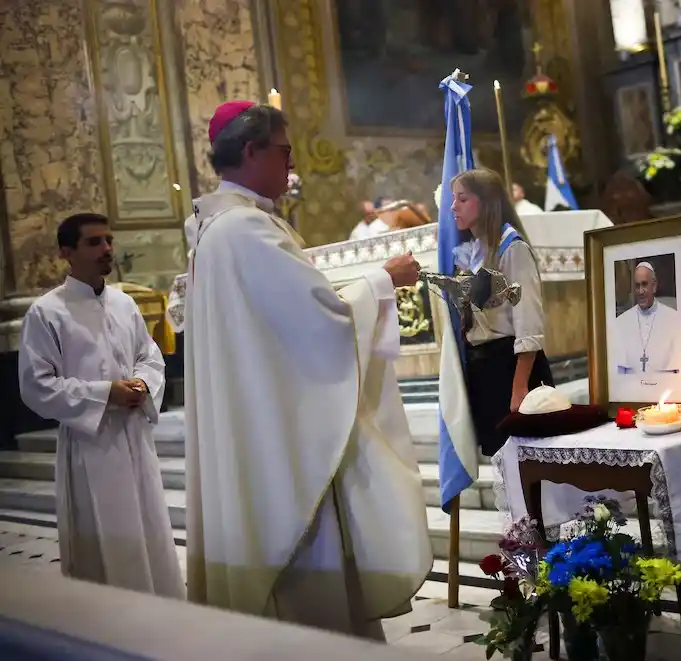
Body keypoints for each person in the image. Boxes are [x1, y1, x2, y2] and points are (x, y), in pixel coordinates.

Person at [182, 100, 431, 640]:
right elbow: (326, 324)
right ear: (251, 151)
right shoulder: (247, 230)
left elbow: (291, 321)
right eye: (284, 152)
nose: (290, 168)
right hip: (282, 447)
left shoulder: (213, 232)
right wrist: (385, 280)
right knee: (310, 602)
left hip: (258, 426)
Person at [18, 213, 184, 598]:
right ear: (66, 252)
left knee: (149, 527)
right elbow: (36, 385)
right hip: (91, 444)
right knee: (107, 539)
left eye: (108, 240)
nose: (107, 249)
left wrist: (143, 382)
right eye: (94, 242)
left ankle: (163, 611)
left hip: (135, 437)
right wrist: (104, 392)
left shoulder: (125, 304)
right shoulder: (47, 312)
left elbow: (150, 355)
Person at [451, 168, 553, 456]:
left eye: (462, 199)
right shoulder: (473, 251)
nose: (453, 206)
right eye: (453, 199)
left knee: (528, 461)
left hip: (512, 368)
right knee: (501, 462)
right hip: (485, 369)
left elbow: (528, 322)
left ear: (486, 202)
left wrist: (519, 387)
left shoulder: (512, 248)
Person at [610, 261, 681, 375]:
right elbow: (620, 370)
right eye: (637, 286)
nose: (640, 291)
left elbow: (678, 368)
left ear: (654, 286)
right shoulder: (622, 322)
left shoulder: (673, 319)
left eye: (644, 284)